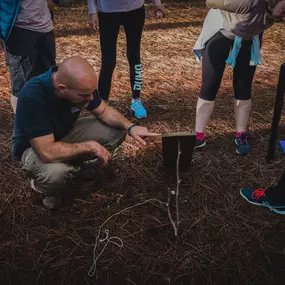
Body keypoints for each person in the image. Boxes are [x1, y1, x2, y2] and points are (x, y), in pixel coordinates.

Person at [12, 56, 159, 210]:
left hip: (62, 135)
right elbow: (46, 152)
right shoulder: (34, 96)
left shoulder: (80, 85)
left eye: (91, 92)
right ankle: (45, 189)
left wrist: (131, 127)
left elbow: (103, 110)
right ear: (62, 88)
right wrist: (88, 146)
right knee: (55, 174)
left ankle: (71, 163)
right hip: (35, 149)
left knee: (115, 131)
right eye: (84, 95)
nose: (90, 98)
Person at [193, 0, 285, 155]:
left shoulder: (275, 12)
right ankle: (198, 135)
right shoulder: (246, 2)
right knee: (210, 84)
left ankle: (241, 133)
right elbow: (210, 2)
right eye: (284, 8)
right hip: (221, 30)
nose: (283, 15)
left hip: (249, 37)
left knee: (244, 86)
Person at [88, 0, 166, 119]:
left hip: (135, 10)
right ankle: (102, 103)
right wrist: (92, 11)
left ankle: (136, 100)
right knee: (108, 62)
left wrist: (157, 3)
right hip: (107, 11)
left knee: (134, 57)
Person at [0, 0, 56, 113]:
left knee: (47, 78)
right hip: (18, 30)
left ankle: (43, 121)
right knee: (21, 85)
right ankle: (22, 126)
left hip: (45, 29)